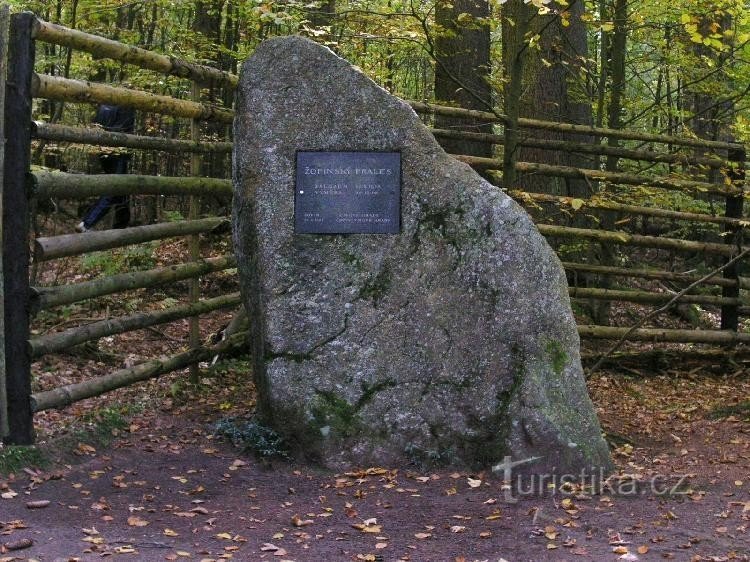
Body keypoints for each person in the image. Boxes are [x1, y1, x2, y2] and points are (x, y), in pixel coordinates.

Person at [76, 104, 136, 232]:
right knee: (114, 188)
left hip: (102, 150)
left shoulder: (104, 105)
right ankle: (88, 223)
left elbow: (97, 126)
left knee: (122, 190)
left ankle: (120, 228)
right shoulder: (126, 105)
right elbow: (125, 128)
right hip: (118, 151)